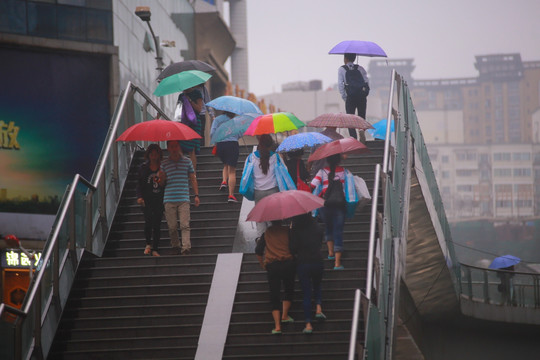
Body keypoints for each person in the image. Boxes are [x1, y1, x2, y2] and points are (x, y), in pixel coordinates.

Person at [240, 134, 295, 236]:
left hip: (258, 192)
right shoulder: (276, 157)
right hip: (273, 192)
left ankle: (261, 240)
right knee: (272, 218)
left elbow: (246, 175)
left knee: (260, 218)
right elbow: (285, 171)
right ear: (270, 145)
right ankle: (272, 241)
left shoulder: (251, 157)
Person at [159, 140, 200, 255]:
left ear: (179, 147)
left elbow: (193, 178)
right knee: (172, 226)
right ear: (168, 148)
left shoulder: (187, 162)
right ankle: (175, 244)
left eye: (176, 146)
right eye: (171, 147)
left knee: (185, 225)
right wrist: (160, 177)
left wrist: (196, 195)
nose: (174, 149)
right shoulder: (164, 164)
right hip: (169, 199)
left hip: (183, 198)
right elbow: (160, 184)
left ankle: (186, 247)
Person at [255, 220, 295, 334]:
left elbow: (258, 251)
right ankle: (285, 315)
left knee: (274, 294)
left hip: (272, 266)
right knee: (288, 289)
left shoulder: (267, 233)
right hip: (288, 264)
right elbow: (294, 247)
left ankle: (277, 326)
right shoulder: (288, 231)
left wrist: (263, 264)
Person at [289, 212, 326, 334]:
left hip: (303, 262)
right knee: (317, 285)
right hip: (317, 260)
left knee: (306, 292)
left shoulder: (295, 229)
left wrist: (291, 231)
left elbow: (292, 248)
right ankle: (319, 308)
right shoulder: (318, 227)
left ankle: (308, 324)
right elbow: (320, 242)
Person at [311, 154, 348, 270]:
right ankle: (337, 263)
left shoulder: (322, 172)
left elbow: (313, 185)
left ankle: (331, 253)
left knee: (328, 227)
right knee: (338, 231)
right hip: (339, 205)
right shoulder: (344, 172)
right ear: (339, 160)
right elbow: (349, 188)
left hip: (325, 205)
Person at [136, 144, 165, 257]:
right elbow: (139, 184)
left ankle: (155, 248)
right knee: (148, 221)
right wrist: (139, 197)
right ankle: (148, 244)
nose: (153, 156)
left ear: (159, 155)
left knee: (157, 223)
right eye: (151, 154)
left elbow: (165, 183)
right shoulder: (143, 168)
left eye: (155, 154)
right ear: (148, 155)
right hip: (146, 200)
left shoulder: (163, 167)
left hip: (159, 199)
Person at [338, 53, 369, 143]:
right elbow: (366, 82)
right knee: (361, 116)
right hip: (361, 96)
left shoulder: (342, 69)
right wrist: (364, 94)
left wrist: (345, 97)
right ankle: (361, 130)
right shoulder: (360, 68)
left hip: (350, 97)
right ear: (355, 58)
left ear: (345, 58)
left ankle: (353, 138)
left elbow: (340, 85)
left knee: (350, 119)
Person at [210, 110, 240, 203]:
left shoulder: (218, 120)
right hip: (232, 144)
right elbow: (239, 134)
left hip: (221, 145)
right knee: (232, 171)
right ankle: (231, 195)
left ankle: (224, 181)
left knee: (225, 164)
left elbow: (212, 133)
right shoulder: (235, 121)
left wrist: (217, 141)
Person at [179, 89, 204, 170]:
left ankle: (193, 175)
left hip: (194, 123)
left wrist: (189, 100)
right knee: (180, 147)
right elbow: (178, 110)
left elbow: (199, 109)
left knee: (191, 149)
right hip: (183, 122)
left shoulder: (197, 93)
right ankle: (182, 172)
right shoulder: (181, 96)